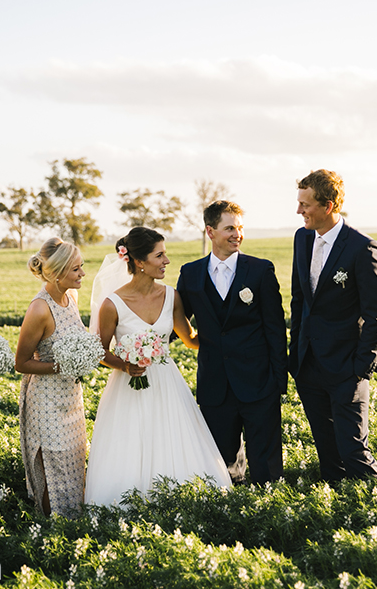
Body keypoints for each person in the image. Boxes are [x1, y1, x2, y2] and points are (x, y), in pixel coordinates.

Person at [84, 226, 232, 506]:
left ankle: (179, 502)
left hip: (167, 384)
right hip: (128, 387)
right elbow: (100, 352)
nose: (166, 261)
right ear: (139, 262)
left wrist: (227, 335)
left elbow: (189, 339)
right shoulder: (112, 304)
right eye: (159, 255)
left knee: (173, 440)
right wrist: (126, 365)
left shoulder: (171, 296)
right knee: (132, 443)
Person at [176, 201, 287, 484]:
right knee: (220, 465)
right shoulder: (190, 273)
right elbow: (176, 320)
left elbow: (275, 328)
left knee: (266, 466)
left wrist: (278, 380)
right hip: (215, 383)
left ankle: (267, 509)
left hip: (259, 381)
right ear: (210, 231)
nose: (237, 234)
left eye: (240, 228)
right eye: (229, 228)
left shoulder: (261, 271)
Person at [289, 170, 377, 483]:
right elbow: (298, 300)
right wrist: (296, 353)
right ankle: (340, 513)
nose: (299, 210)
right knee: (327, 450)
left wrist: (361, 366)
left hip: (347, 367)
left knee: (353, 448)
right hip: (309, 365)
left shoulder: (363, 248)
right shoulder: (302, 238)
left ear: (329, 205)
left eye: (305, 204)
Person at [14, 238, 89, 517]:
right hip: (46, 400)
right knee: (52, 463)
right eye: (75, 269)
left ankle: (75, 522)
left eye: (82, 267)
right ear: (56, 274)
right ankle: (51, 526)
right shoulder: (39, 309)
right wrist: (64, 365)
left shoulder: (71, 297)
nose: (82, 274)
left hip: (71, 396)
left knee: (73, 459)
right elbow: (21, 363)